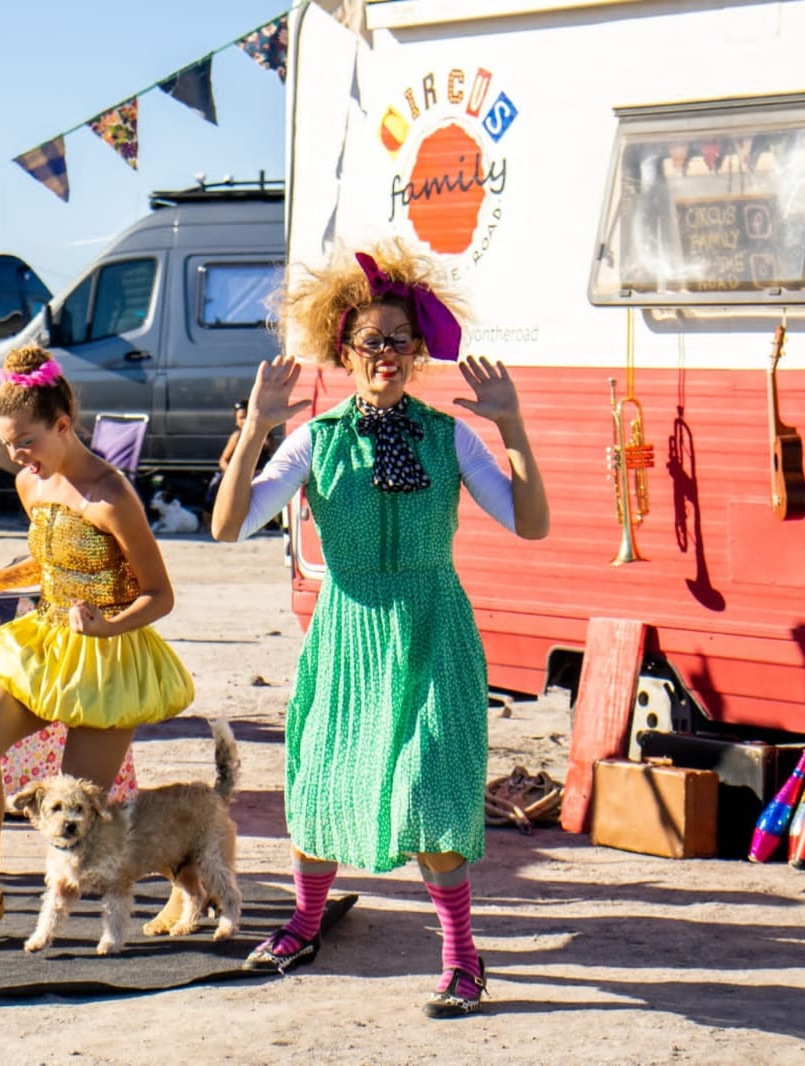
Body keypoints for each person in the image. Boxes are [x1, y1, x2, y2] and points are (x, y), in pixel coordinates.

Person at [210, 243, 549, 1017]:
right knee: (323, 783)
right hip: (348, 635)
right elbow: (228, 526)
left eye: (400, 339)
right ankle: (304, 924)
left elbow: (529, 524)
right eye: (371, 340)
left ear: (417, 352)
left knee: (430, 793)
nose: (386, 353)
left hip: (433, 632)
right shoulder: (317, 438)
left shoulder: (448, 435)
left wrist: (513, 427)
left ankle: (462, 956)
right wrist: (257, 427)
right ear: (346, 351)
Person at [0, 345, 195, 951]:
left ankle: (184, 876)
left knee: (82, 806)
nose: (16, 455)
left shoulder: (111, 495)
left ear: (62, 424)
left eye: (25, 441)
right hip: (50, 642)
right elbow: (53, 560)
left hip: (109, 656)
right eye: (8, 443)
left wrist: (106, 627)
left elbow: (159, 595)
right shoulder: (30, 482)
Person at [205, 400, 274, 509]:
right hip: (236, 478)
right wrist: (233, 473)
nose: (245, 421)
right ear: (236, 421)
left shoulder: (266, 437)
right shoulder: (236, 437)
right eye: (241, 418)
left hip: (257, 478)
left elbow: (272, 459)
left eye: (247, 417)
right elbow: (223, 460)